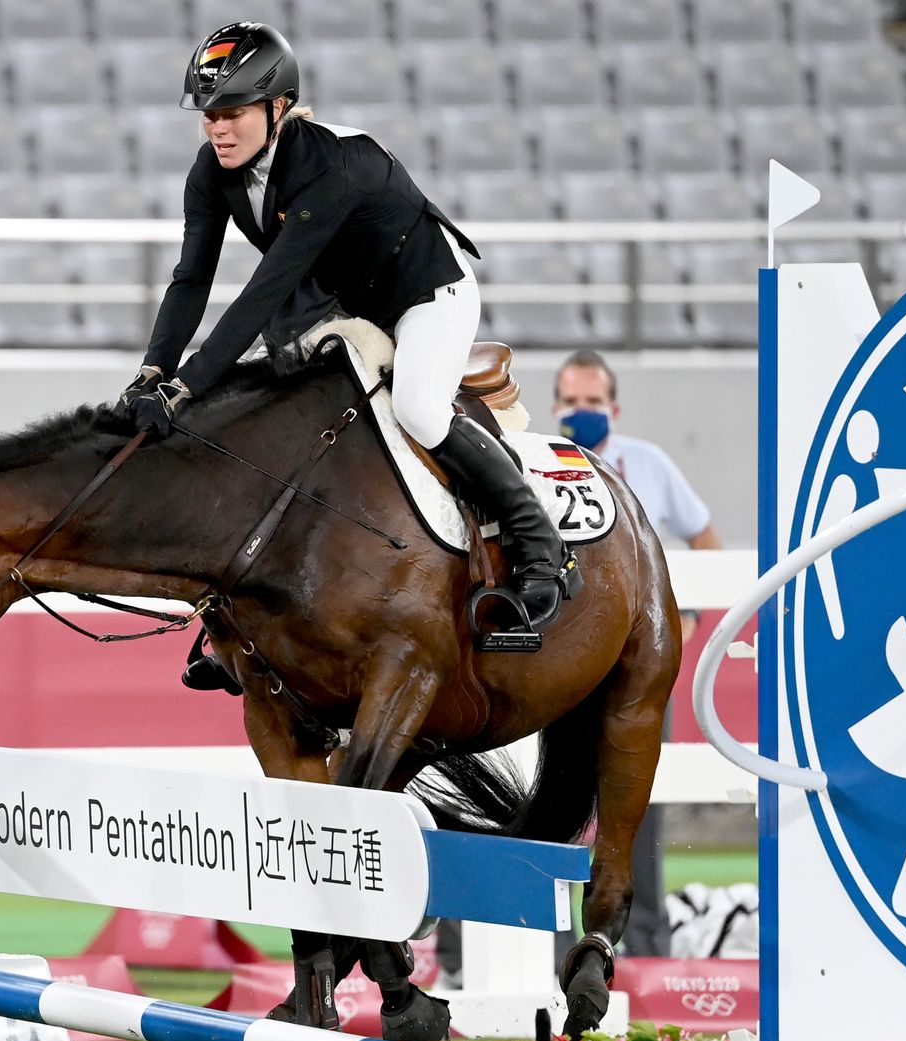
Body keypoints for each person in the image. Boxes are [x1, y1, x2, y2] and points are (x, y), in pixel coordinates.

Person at [121, 22, 564, 694]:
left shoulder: (326, 165)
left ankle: (539, 546)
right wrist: (155, 370)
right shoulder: (211, 174)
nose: (219, 129)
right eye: (211, 115)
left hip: (427, 293)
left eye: (233, 112)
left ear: (277, 108)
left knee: (416, 405)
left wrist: (186, 388)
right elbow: (191, 279)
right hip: (340, 299)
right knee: (279, 417)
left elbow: (263, 293)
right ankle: (242, 622)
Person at [556, 348, 719, 958]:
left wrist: (681, 622)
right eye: (571, 401)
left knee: (637, 809)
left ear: (614, 408)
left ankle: (646, 943)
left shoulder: (647, 465)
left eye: (592, 402)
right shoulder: (542, 461)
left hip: (634, 671)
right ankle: (556, 947)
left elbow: (705, 536)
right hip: (563, 668)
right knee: (561, 804)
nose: (581, 412)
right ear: (555, 406)